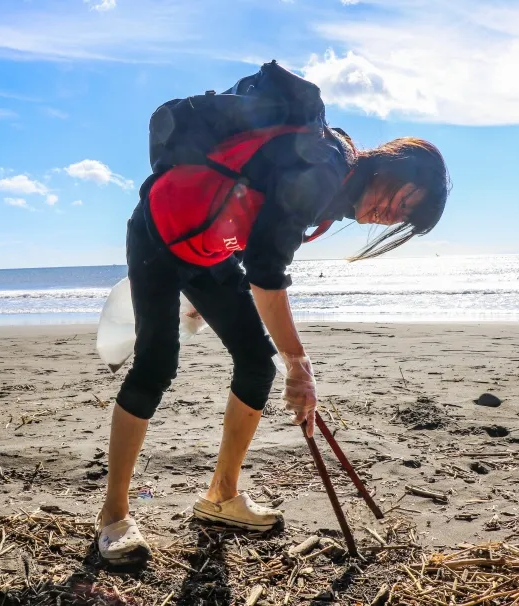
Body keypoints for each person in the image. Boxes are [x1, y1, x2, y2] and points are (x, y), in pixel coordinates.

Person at [95, 65, 451, 565]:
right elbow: (266, 271)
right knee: (156, 364)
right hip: (159, 234)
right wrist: (299, 364)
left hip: (209, 252)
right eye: (406, 201)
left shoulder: (334, 183)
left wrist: (207, 301)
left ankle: (221, 497)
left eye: (405, 219)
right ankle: (113, 516)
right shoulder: (326, 167)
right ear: (396, 167)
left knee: (255, 363)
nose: (393, 216)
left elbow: (252, 230)